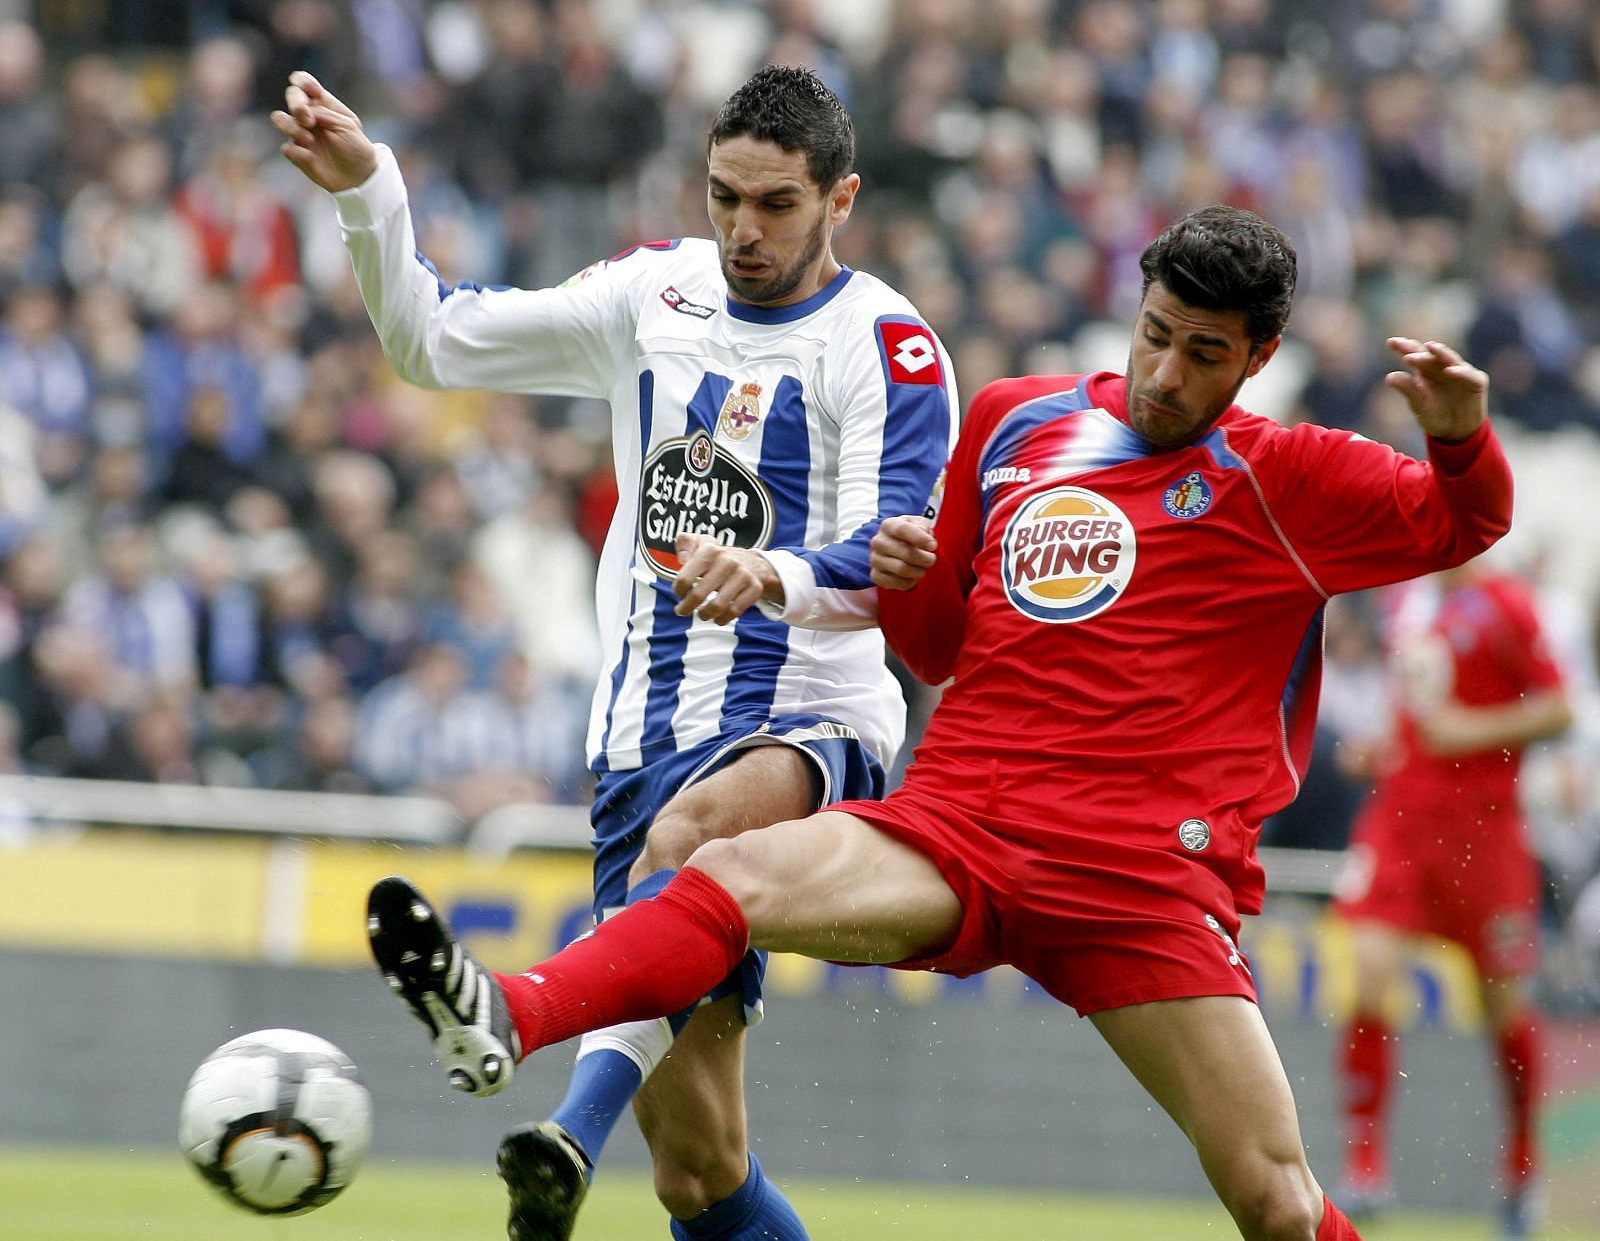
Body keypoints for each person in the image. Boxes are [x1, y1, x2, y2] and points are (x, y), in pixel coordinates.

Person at [363, 205, 1513, 1241]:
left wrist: (1460, 435)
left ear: (1257, 358)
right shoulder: (1018, 419)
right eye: (1155, 331)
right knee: (729, 865)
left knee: (1272, 1196)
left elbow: (1464, 523)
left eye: (1203, 353)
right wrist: (911, 574)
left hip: (1140, 882)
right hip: (960, 827)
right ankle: (511, 1011)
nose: (1164, 371)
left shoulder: (1292, 477)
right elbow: (938, 647)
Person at [273, 65, 957, 1241]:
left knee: (693, 840)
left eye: (776, 204)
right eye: (723, 195)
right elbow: (433, 340)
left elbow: (897, 563)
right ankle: (581, 1122)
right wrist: (369, 191)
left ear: (840, 200)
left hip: (807, 716)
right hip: (639, 740)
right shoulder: (654, 295)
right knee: (702, 1172)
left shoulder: (886, 346)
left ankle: (555, 1110)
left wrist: (775, 574)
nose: (742, 229)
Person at [1330, 562, 1572, 1239]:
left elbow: (1560, 707)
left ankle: (1523, 1167)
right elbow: (1414, 708)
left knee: (1502, 1003)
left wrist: (1471, 731)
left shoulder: (1508, 606)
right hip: (1403, 818)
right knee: (1370, 970)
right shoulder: (1406, 599)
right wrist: (1382, 746)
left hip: (1485, 828)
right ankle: (1365, 1164)